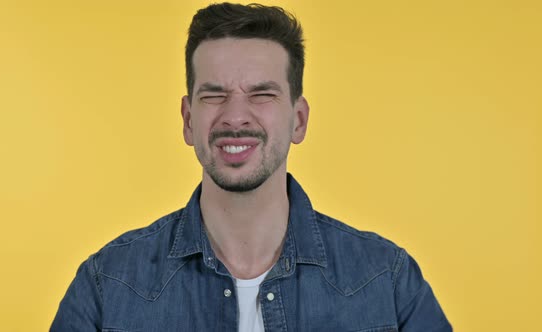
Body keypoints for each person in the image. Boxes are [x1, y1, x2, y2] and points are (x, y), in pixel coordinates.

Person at [51, 3, 452, 331]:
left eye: (261, 94)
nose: (235, 116)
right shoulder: (107, 285)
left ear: (299, 120)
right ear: (189, 120)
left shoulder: (388, 282)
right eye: (214, 95)